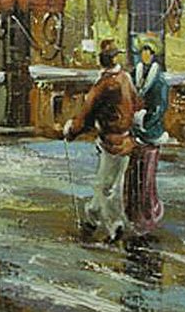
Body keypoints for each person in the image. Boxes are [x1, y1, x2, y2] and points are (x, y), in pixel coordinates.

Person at [63, 39, 139, 242]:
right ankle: (91, 217)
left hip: (111, 141)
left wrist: (71, 131)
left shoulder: (104, 85)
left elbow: (86, 114)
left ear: (101, 60)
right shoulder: (125, 79)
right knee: (111, 182)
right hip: (127, 139)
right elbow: (137, 103)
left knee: (106, 187)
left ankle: (115, 225)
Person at [126, 33, 168, 233]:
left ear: (153, 55)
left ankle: (149, 213)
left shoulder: (159, 80)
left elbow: (160, 107)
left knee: (147, 175)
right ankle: (131, 212)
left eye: (148, 52)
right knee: (133, 174)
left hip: (150, 132)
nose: (145, 55)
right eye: (142, 51)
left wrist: (145, 121)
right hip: (134, 131)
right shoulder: (134, 74)